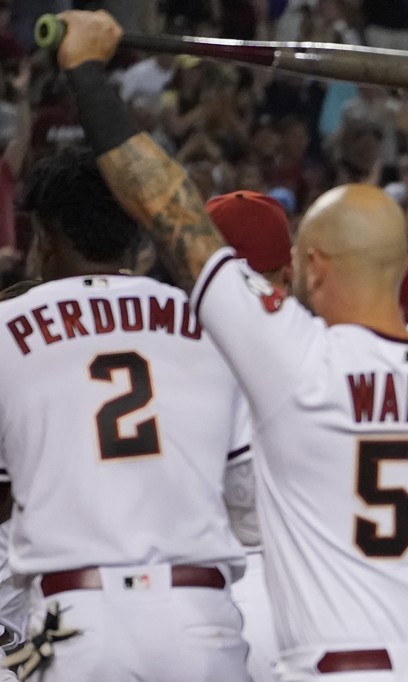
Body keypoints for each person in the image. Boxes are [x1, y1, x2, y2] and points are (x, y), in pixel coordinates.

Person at [56, 11, 408, 680]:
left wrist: (86, 74)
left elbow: (168, 209)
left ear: (313, 266)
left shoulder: (296, 362)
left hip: (341, 668)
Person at [0, 144, 251, 681]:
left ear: (44, 239)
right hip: (199, 617)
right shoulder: (211, 320)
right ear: (138, 238)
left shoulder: (7, 327)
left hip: (76, 621)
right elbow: (248, 498)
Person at [205, 189, 293, 682]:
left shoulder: (165, 351)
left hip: (199, 598)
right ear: (290, 273)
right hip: (333, 596)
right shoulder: (330, 350)